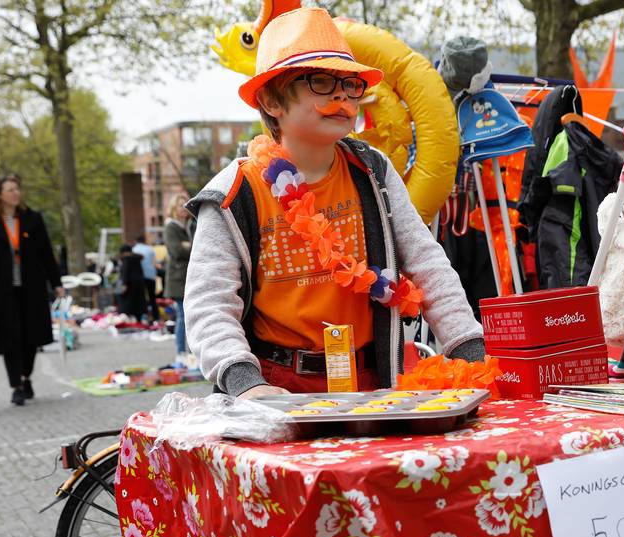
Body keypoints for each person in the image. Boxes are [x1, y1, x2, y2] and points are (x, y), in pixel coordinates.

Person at [184, 7, 483, 398]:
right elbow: (209, 304)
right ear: (272, 101)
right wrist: (245, 384)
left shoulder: (373, 171)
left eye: (351, 84)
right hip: (274, 390)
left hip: (371, 383)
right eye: (321, 81)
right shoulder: (233, 192)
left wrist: (469, 351)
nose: (342, 95)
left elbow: (428, 264)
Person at [0, 174, 65, 407]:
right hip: (1, 290)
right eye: (10, 190)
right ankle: (16, 385)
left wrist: (56, 282)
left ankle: (26, 376)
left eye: (17, 189)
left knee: (31, 336)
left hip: (30, 287)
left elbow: (46, 253)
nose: (16, 193)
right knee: (9, 339)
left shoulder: (33, 219)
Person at [164, 198, 194, 364]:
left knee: (193, 316)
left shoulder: (192, 225)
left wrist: (187, 245)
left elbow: (202, 246)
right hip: (178, 279)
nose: (183, 208)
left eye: (185, 204)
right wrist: (192, 246)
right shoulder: (171, 227)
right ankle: (181, 352)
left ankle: (192, 353)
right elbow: (175, 250)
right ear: (173, 208)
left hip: (191, 276)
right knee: (183, 316)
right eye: (179, 205)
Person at [131, 234, 159, 323]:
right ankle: (155, 317)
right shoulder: (150, 249)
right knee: (152, 298)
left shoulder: (134, 250)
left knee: (141, 298)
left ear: (136, 241)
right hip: (151, 276)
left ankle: (143, 318)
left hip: (140, 277)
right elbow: (154, 263)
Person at [116, 244, 148, 319]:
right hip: (138, 284)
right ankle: (138, 320)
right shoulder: (137, 259)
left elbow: (125, 272)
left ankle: (125, 319)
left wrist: (123, 284)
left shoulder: (126, 259)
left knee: (124, 303)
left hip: (127, 283)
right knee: (138, 304)